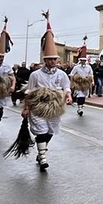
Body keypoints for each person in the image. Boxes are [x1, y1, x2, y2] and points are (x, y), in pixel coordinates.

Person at [21, 13, 72, 170]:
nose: (53, 62)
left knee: (50, 131)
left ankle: (41, 150)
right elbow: (29, 92)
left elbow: (66, 87)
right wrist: (26, 108)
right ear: (45, 60)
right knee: (41, 131)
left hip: (54, 107)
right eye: (49, 59)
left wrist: (68, 96)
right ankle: (43, 157)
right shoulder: (35, 75)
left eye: (54, 59)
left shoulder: (62, 74)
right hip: (38, 107)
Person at [69, 46, 95, 116]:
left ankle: (81, 106)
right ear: (80, 61)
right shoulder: (76, 67)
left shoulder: (89, 67)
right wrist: (72, 83)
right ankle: (79, 108)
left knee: (84, 95)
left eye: (84, 60)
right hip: (78, 83)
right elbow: (71, 75)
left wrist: (92, 82)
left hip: (85, 83)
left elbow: (91, 74)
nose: (83, 62)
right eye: (82, 60)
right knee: (79, 94)